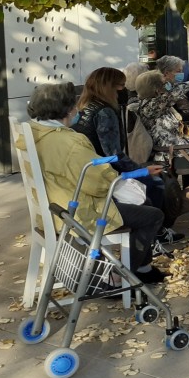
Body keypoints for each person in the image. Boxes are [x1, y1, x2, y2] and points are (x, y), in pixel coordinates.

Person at [21, 82, 167, 284]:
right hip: (77, 212)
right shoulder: (69, 142)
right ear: (67, 110)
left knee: (144, 206)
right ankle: (118, 279)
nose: (77, 110)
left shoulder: (32, 133)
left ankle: (143, 268)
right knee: (153, 215)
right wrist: (126, 176)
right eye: (74, 106)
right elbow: (98, 183)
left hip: (55, 206)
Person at [73, 67, 166, 209]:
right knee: (156, 184)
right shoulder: (105, 113)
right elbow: (113, 155)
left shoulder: (84, 107)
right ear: (109, 87)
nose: (125, 89)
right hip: (103, 173)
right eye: (122, 85)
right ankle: (159, 223)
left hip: (86, 169)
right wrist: (142, 170)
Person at [135, 69, 189, 163]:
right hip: (170, 155)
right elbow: (173, 94)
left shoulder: (157, 104)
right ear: (156, 89)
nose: (167, 86)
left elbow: (173, 129)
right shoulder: (150, 107)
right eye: (164, 84)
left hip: (180, 150)